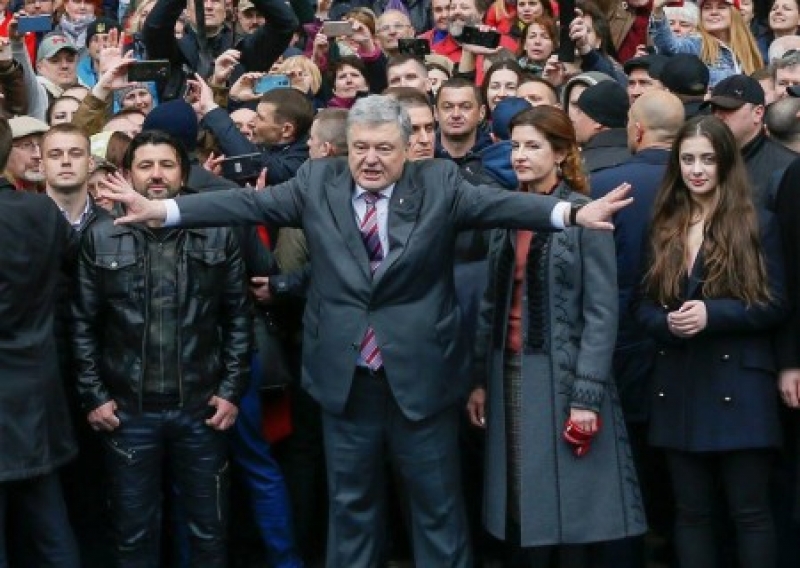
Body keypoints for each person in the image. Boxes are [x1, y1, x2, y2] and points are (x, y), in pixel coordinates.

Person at [98, 94, 633, 568]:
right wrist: (162, 209)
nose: (370, 159)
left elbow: (502, 204)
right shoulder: (317, 182)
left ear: (406, 149)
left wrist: (571, 215)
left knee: (436, 510)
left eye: (383, 148)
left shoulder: (440, 182)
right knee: (351, 507)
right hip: (346, 382)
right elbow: (245, 203)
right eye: (360, 148)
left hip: (422, 381)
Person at [467, 104, 646, 567]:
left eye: (533, 146)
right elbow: (490, 302)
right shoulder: (507, 211)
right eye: (515, 146)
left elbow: (601, 313)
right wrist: (480, 379)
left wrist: (586, 395)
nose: (520, 156)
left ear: (562, 153)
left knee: (570, 511)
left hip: (565, 377)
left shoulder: (588, 213)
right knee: (519, 504)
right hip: (507, 372)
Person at [71, 130, 251, 566]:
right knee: (132, 534)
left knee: (209, 532)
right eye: (146, 165)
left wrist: (231, 390)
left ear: (183, 173)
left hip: (202, 410)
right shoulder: (101, 236)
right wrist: (94, 396)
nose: (156, 175)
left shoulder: (215, 231)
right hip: (127, 412)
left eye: (166, 165)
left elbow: (238, 318)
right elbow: (82, 324)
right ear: (127, 174)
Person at [635, 115, 788, 568]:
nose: (697, 169)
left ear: (725, 162)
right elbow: (641, 306)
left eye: (707, 159)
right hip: (679, 380)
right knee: (691, 513)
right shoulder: (663, 224)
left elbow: (777, 302)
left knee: (749, 512)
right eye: (687, 159)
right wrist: (667, 323)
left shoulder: (757, 222)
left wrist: (712, 314)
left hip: (739, 382)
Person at [0, 116, 80, 568]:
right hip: (36, 396)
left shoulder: (38, 211)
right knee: (50, 530)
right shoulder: (41, 212)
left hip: (26, 399)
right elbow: (75, 269)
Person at [649, 0, 763, 88]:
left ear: (735, 13)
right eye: (707, 8)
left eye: (721, 7)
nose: (713, 12)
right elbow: (670, 48)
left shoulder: (748, 46)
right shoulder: (697, 43)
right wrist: (658, 11)